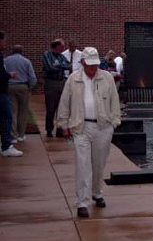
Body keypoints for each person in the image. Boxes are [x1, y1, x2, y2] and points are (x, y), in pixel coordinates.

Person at [57, 47, 121, 218]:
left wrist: (114, 122)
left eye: (95, 65)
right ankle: (82, 202)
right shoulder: (73, 79)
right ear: (83, 62)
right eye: (90, 65)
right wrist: (63, 124)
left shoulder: (106, 77)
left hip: (103, 126)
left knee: (99, 163)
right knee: (82, 164)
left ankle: (97, 192)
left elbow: (115, 100)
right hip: (81, 127)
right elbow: (64, 102)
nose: (93, 69)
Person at [5, 45, 37, 143]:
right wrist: (30, 87)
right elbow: (32, 77)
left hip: (9, 86)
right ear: (22, 51)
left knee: (12, 111)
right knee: (22, 112)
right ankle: (21, 135)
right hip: (23, 87)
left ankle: (13, 135)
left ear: (12, 51)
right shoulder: (26, 61)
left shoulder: (5, 60)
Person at [0, 32, 23, 157]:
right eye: (3, 40)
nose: (4, 43)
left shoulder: (5, 58)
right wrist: (9, 75)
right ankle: (6, 145)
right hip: (1, 92)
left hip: (6, 90)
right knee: (7, 116)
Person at [42, 39, 70, 137]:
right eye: (62, 46)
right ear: (56, 46)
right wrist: (61, 66)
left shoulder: (61, 56)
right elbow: (50, 67)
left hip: (61, 82)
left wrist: (58, 65)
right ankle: (49, 129)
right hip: (51, 83)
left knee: (61, 107)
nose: (63, 48)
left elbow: (68, 65)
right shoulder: (47, 55)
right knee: (51, 107)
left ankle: (60, 128)